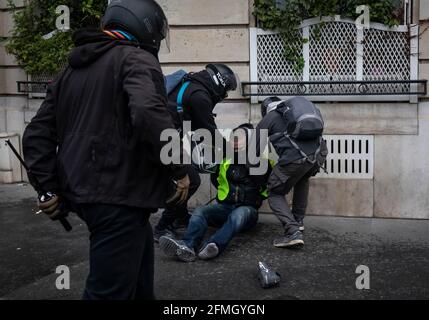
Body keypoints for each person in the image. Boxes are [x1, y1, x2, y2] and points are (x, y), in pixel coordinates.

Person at [22, 0, 189, 300]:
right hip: (118, 194)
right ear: (146, 26)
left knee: (138, 287)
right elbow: (148, 113)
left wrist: (47, 188)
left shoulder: (71, 70)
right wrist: (179, 168)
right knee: (107, 294)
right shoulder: (135, 58)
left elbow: (37, 132)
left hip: (90, 193)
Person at [159, 124, 271, 262]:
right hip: (225, 208)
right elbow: (216, 180)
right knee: (200, 211)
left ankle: (214, 245)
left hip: (248, 211)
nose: (235, 146)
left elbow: (267, 185)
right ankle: (187, 246)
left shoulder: (261, 161)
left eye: (240, 143)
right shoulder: (226, 160)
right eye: (233, 142)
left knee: (239, 214)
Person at [154, 64, 238, 241]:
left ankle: (181, 217)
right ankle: (162, 227)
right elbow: (210, 133)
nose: (226, 95)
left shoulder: (193, 84)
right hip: (161, 140)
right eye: (227, 89)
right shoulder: (200, 96)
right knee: (191, 180)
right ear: (220, 83)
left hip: (165, 138)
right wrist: (232, 153)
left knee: (186, 175)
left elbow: (196, 127)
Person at [249, 96, 327, 249]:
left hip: (295, 158)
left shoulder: (271, 117)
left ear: (265, 110)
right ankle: (298, 221)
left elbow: (253, 150)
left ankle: (292, 232)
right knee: (302, 179)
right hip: (318, 155)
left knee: (275, 192)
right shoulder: (297, 112)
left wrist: (252, 171)